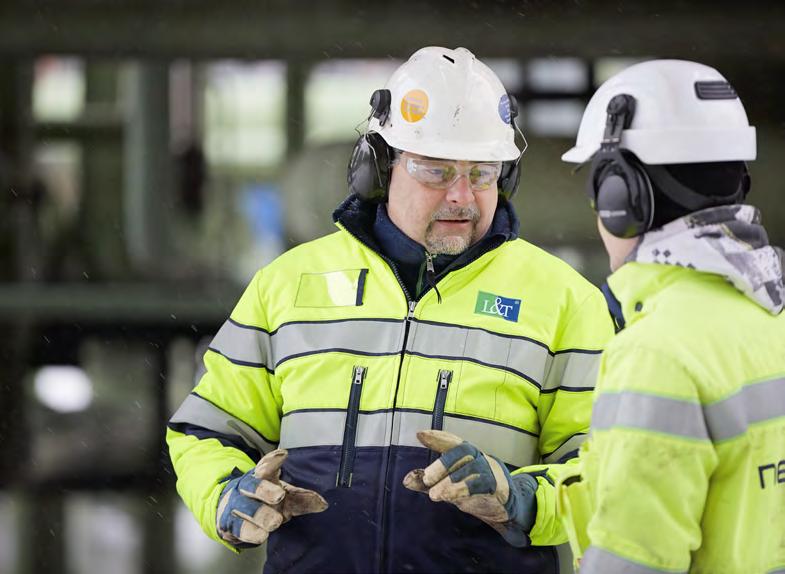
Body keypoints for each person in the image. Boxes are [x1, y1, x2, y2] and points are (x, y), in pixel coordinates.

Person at [167, 46, 614, 573]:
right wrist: (225, 498)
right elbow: (207, 432)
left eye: (483, 174)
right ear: (379, 168)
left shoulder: (564, 301)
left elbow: (603, 471)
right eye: (436, 171)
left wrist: (518, 498)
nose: (462, 198)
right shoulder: (286, 286)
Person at [558, 59, 785, 573]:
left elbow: (634, 558)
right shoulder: (772, 314)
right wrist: (534, 501)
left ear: (622, 198)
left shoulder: (658, 353)